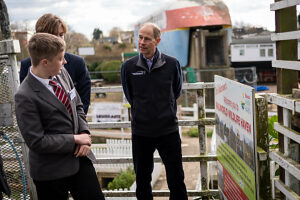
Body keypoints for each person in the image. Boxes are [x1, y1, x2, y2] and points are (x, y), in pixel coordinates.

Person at [15, 33, 105, 200]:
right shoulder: (24, 95)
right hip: (50, 172)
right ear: (44, 62)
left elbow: (77, 104)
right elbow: (37, 141)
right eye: (61, 58)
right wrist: (76, 139)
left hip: (80, 160)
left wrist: (84, 133)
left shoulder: (61, 73)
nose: (65, 62)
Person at [121, 23, 188, 200]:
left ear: (157, 41)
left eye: (147, 38)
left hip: (168, 131)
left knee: (176, 179)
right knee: (142, 181)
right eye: (140, 37)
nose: (142, 42)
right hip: (141, 133)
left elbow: (176, 91)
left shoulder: (172, 64)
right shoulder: (128, 67)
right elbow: (130, 96)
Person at [20, 13, 91, 114]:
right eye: (53, 35)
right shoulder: (27, 65)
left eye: (61, 34)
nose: (58, 39)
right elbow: (27, 103)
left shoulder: (78, 63)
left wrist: (78, 127)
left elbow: (83, 101)